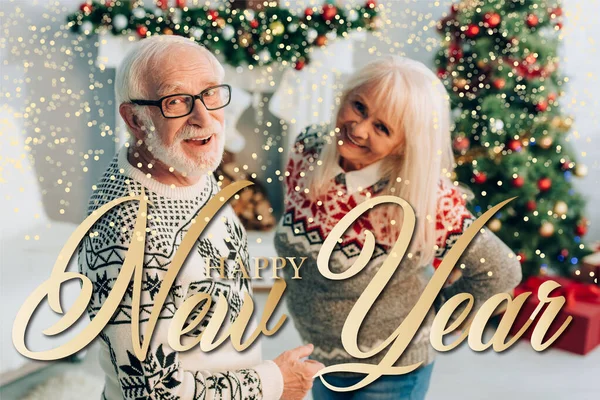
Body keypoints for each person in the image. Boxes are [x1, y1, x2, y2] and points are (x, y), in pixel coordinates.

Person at [78, 35, 323, 400]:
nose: (204, 118)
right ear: (134, 119)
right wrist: (275, 382)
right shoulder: (128, 233)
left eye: (210, 93)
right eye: (176, 101)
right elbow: (149, 392)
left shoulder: (183, 166)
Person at [274, 55, 523, 399]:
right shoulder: (309, 149)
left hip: (390, 370)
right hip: (322, 359)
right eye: (359, 107)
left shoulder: (422, 198)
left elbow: (501, 270)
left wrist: (439, 313)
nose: (358, 129)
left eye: (382, 128)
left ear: (404, 143)